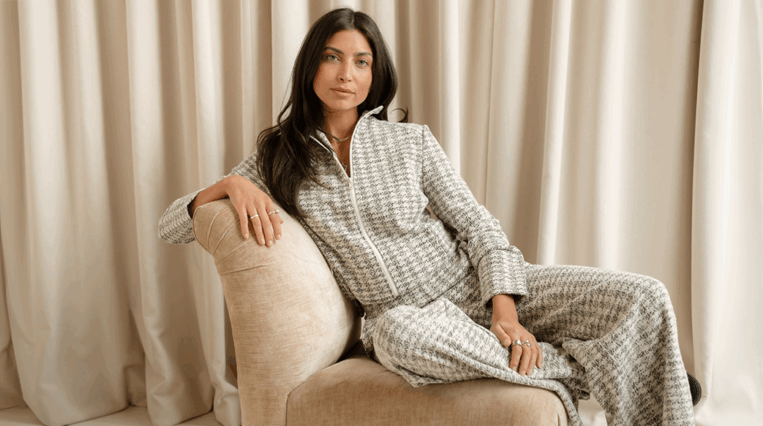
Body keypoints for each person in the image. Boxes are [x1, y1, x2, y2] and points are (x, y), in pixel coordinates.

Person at [159, 8, 697, 426]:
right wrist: (227, 184)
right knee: (398, 337)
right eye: (331, 57)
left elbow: (478, 226)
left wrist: (504, 311)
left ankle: (644, 388)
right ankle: (589, 369)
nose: (346, 74)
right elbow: (170, 226)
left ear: (376, 73)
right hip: (409, 319)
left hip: (479, 290)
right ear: (310, 66)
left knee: (643, 296)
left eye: (361, 61)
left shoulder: (411, 143)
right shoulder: (279, 157)